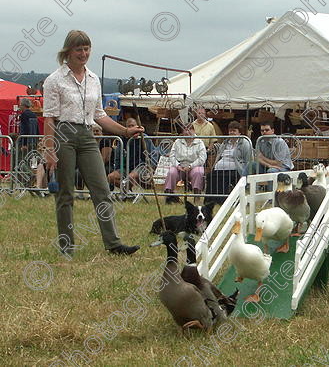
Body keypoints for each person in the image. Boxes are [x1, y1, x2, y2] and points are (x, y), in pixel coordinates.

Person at [43, 30, 144, 256]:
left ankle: (114, 243)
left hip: (88, 136)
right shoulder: (54, 80)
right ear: (68, 51)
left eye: (87, 48)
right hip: (63, 135)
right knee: (65, 193)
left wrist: (125, 131)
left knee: (102, 189)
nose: (84, 53)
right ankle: (66, 247)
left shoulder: (93, 79)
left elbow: (100, 115)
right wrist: (50, 150)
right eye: (79, 49)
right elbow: (49, 117)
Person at [205, 121, 252, 205]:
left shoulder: (244, 143)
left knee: (224, 177)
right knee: (210, 176)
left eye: (234, 131)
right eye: (230, 131)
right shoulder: (225, 142)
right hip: (220, 167)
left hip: (235, 169)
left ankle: (222, 200)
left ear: (239, 132)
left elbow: (247, 159)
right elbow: (219, 155)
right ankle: (210, 200)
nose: (231, 133)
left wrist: (245, 173)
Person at [107, 117, 156, 193]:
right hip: (125, 167)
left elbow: (153, 154)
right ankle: (128, 193)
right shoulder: (121, 139)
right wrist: (117, 169)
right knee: (111, 177)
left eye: (133, 125)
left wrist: (151, 168)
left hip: (141, 166)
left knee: (130, 177)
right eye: (129, 126)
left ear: (137, 126)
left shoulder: (144, 138)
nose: (131, 128)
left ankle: (126, 192)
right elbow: (117, 157)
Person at [164, 123, 207, 204]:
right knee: (171, 172)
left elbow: (202, 158)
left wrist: (191, 166)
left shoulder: (200, 142)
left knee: (199, 172)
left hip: (194, 166)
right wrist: (177, 165)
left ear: (193, 130)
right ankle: (169, 196)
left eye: (189, 129)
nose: (187, 132)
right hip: (180, 167)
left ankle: (197, 196)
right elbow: (172, 156)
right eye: (185, 129)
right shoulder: (177, 142)